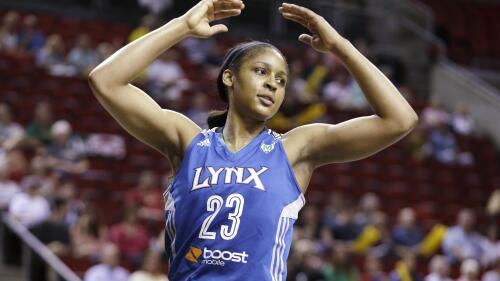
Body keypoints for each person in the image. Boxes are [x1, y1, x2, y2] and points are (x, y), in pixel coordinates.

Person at [88, 1, 418, 280]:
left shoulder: (294, 149)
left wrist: (341, 47)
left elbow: (400, 120)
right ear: (229, 77)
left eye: (281, 79)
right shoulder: (187, 141)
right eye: (261, 72)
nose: (273, 84)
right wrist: (181, 25)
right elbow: (105, 81)